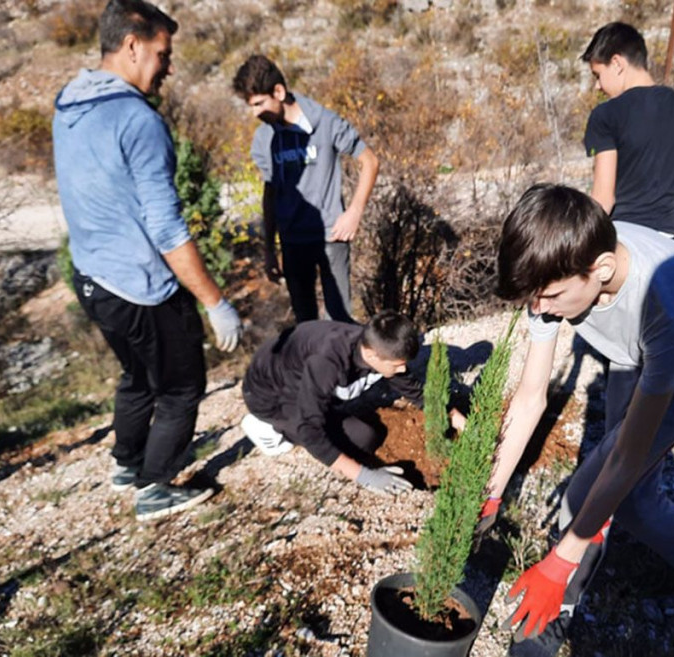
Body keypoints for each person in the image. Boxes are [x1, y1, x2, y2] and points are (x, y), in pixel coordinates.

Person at [480, 184, 674, 657]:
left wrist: (557, 563)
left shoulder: (667, 309)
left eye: (549, 298)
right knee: (618, 487)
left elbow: (628, 456)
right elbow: (532, 396)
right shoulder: (557, 272)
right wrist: (491, 490)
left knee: (614, 492)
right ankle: (569, 592)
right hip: (635, 349)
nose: (540, 310)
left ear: (603, 270)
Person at [53, 0, 243, 522]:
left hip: (91, 277)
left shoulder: (70, 102)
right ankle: (154, 487)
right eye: (163, 53)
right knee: (182, 386)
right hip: (139, 286)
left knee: (137, 375)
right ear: (132, 45)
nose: (169, 66)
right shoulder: (139, 121)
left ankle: (126, 464)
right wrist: (215, 301)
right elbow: (167, 229)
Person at [240, 311, 466, 495]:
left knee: (366, 436)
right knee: (356, 441)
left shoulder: (375, 344)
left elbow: (412, 390)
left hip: (302, 379)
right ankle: (266, 427)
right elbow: (310, 430)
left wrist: (454, 416)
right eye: (397, 365)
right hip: (270, 396)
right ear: (372, 355)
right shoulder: (328, 362)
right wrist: (364, 476)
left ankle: (320, 405)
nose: (403, 369)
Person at [232, 54, 380, 324]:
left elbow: (369, 160)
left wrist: (354, 212)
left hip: (331, 236)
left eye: (259, 103)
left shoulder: (325, 121)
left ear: (278, 91)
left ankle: (347, 367)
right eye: (250, 106)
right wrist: (269, 247)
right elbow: (271, 192)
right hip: (291, 240)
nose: (255, 113)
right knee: (306, 324)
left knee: (340, 319)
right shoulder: (264, 137)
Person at [581, 22, 674, 245]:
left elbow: (604, 200)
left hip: (625, 243)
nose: (598, 86)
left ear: (616, 63)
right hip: (668, 245)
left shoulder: (605, 115)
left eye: (598, 75)